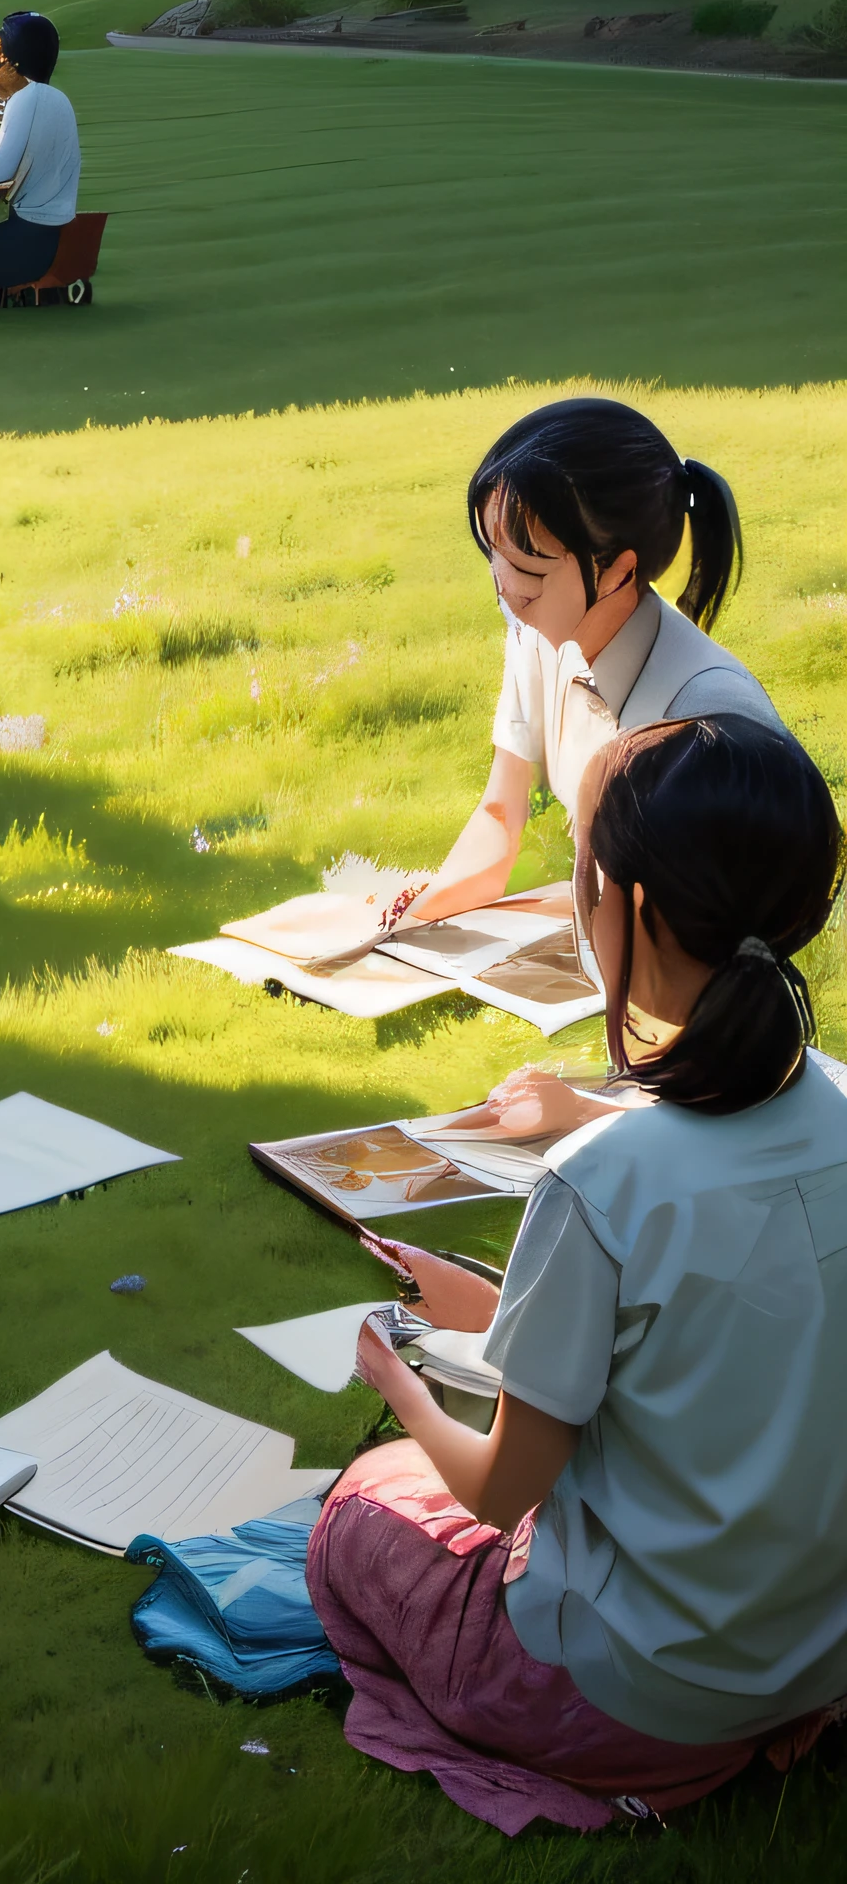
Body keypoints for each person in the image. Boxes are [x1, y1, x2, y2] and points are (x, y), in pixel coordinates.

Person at [310, 714, 847, 1835]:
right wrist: (504, 1313)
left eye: (580, 867)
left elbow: (505, 1490)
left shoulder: (601, 1179)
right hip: (813, 1647)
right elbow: (741, 1334)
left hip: (634, 1688)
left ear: (632, 905)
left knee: (365, 1504)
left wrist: (400, 1388)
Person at [391, 396, 781, 931]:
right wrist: (410, 923)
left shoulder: (705, 718)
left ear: (619, 573)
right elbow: (501, 815)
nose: (504, 588)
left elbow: (694, 924)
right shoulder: (538, 638)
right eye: (493, 556)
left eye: (529, 574)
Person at [0, 8, 80, 301]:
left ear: (16, 57)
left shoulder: (24, 100)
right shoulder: (60, 99)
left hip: (29, 238)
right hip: (59, 232)